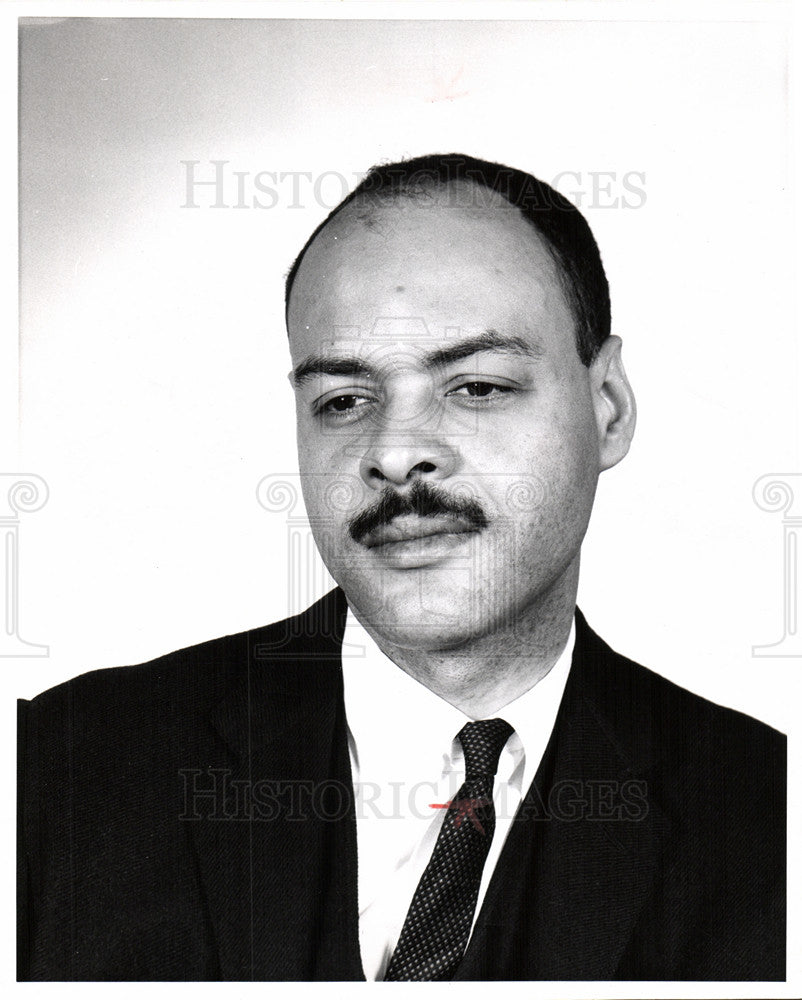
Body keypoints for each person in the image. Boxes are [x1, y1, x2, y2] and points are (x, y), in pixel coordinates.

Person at [17, 153, 785, 982]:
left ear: (609, 409)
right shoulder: (54, 774)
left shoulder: (770, 823)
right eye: (344, 400)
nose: (394, 453)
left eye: (479, 387)